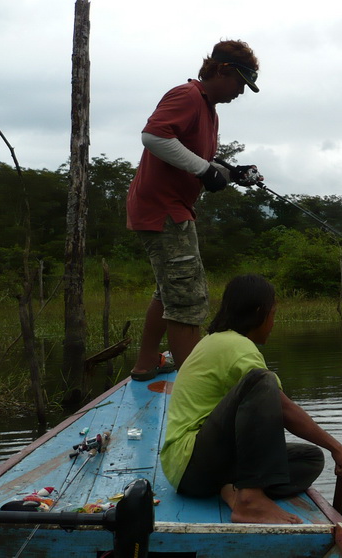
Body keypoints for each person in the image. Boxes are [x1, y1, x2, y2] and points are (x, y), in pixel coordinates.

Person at [160, 274, 342, 524]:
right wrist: (338, 448)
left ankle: (231, 489)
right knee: (261, 381)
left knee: (309, 460)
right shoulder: (234, 344)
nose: (273, 322)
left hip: (201, 471)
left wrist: (329, 450)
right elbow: (284, 408)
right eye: (273, 313)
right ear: (259, 312)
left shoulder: (220, 341)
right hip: (190, 462)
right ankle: (250, 499)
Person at [126, 39, 263, 381]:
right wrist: (204, 171)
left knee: (169, 290)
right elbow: (154, 138)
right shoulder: (188, 95)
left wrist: (233, 172)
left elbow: (197, 159)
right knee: (187, 299)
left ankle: (146, 364)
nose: (240, 93)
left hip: (173, 208)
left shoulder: (209, 111)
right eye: (239, 84)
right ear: (222, 71)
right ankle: (194, 384)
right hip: (163, 209)